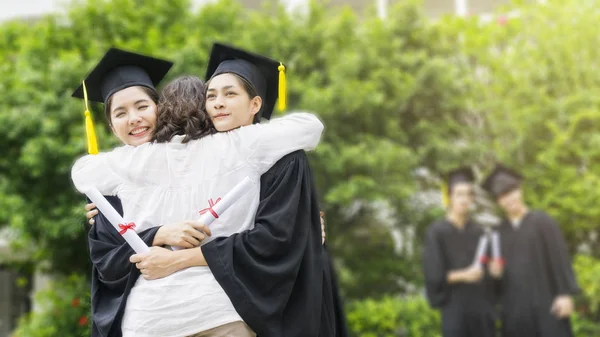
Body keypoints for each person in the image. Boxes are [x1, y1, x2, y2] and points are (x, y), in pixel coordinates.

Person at [75, 44, 347, 337]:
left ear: (161, 108)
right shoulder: (243, 145)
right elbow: (309, 127)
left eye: (142, 107)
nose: (134, 119)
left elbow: (82, 172)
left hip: (147, 320)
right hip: (219, 313)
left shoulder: (122, 164)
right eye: (212, 96)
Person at [481, 163, 579, 337]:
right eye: (502, 195)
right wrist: (494, 274)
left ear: (520, 190)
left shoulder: (543, 222)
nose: (509, 199)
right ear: (498, 201)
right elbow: (493, 284)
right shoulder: (496, 234)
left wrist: (565, 294)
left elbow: (560, 260)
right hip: (515, 313)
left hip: (548, 306)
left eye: (511, 191)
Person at [423, 167, 496, 337]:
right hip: (455, 311)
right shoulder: (436, 233)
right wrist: (463, 275)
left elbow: (490, 272)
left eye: (469, 195)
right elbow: (433, 276)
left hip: (482, 311)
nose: (464, 200)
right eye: (459, 194)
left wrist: (493, 271)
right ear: (449, 197)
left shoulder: (480, 232)